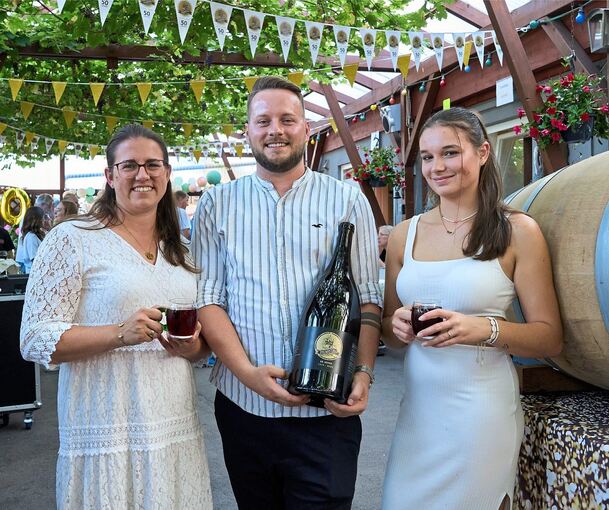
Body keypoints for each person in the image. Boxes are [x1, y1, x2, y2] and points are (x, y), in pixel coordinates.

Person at [192, 76, 382, 509]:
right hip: (243, 408)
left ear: (306, 130)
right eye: (263, 120)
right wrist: (247, 375)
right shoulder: (216, 204)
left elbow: (369, 297)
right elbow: (209, 298)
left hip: (326, 411)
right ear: (248, 132)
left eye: (287, 119)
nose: (275, 129)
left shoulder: (347, 200)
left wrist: (364, 373)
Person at [20, 124, 213, 509]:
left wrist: (192, 347)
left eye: (152, 164)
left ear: (167, 172)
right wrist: (118, 333)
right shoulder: (72, 238)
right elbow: (34, 339)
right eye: (129, 166)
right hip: (105, 429)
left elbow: (199, 350)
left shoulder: (184, 252)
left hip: (173, 424)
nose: (143, 174)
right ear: (110, 176)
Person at [381, 107, 563, 510]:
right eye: (427, 157)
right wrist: (396, 327)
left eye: (450, 152)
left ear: (482, 153)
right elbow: (390, 341)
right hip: (418, 415)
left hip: (480, 416)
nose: (436, 167)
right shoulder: (403, 235)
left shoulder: (517, 230)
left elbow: (549, 336)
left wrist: (483, 329)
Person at [15, 206, 45, 273]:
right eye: (42, 218)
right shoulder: (31, 237)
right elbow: (34, 259)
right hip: (34, 272)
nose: (44, 220)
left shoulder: (36, 235)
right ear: (36, 220)